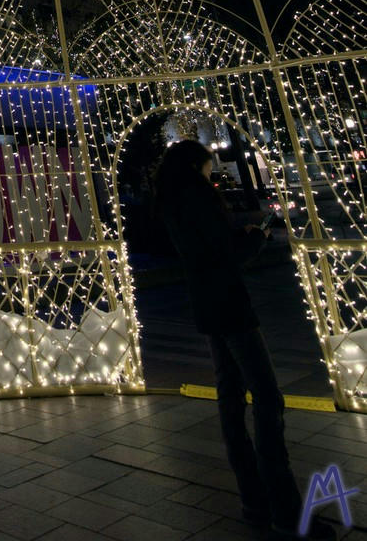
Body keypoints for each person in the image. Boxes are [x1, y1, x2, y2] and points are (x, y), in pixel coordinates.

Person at [154, 139, 333, 540]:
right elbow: (226, 252)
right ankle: (286, 512)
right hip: (230, 305)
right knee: (267, 400)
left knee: (230, 400)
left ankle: (253, 500)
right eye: (208, 164)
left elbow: (201, 250)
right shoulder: (198, 197)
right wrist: (255, 238)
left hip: (206, 306)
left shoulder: (170, 200)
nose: (211, 170)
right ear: (195, 165)